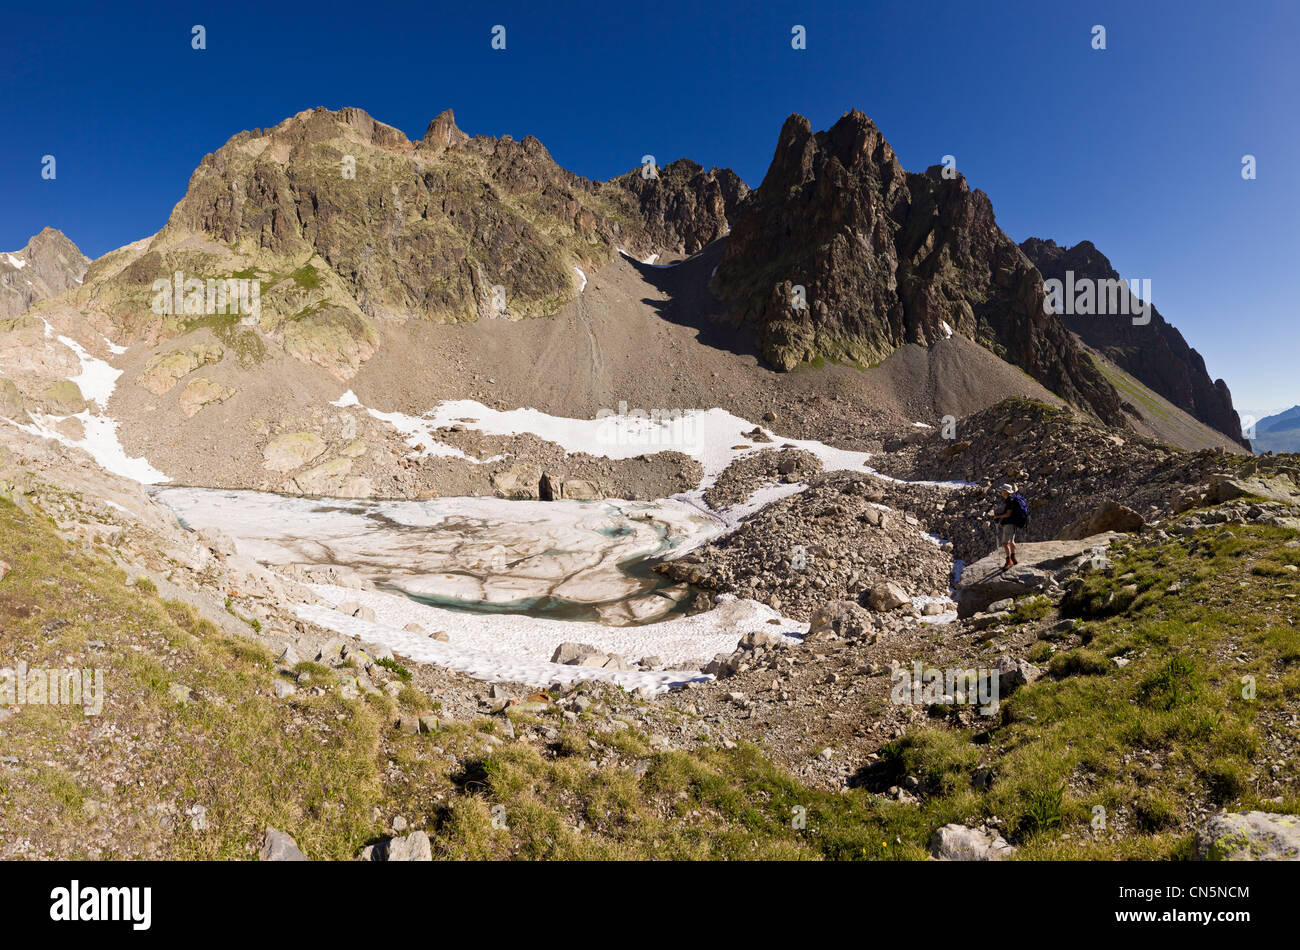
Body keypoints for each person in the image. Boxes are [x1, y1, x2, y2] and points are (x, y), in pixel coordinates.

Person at [992, 483, 1029, 570]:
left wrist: (997, 516)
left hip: (1009, 524)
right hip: (1014, 523)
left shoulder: (1009, 501)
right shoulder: (1012, 499)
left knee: (1005, 543)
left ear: (1005, 491)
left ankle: (1008, 561)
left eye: (1002, 490)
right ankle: (1013, 557)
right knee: (1011, 541)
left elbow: (1008, 514)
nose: (1001, 492)